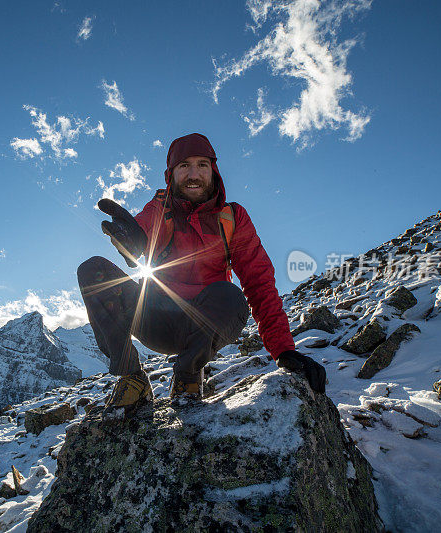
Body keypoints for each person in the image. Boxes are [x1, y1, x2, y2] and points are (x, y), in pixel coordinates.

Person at [77, 133, 325, 412]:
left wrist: (284, 349)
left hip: (205, 325)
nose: (193, 174)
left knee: (229, 295)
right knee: (93, 271)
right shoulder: (160, 206)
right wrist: (133, 240)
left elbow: (259, 283)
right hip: (154, 319)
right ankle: (132, 379)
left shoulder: (232, 218)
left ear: (214, 171)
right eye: (184, 166)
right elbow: (144, 229)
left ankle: (187, 377)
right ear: (171, 174)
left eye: (201, 165)